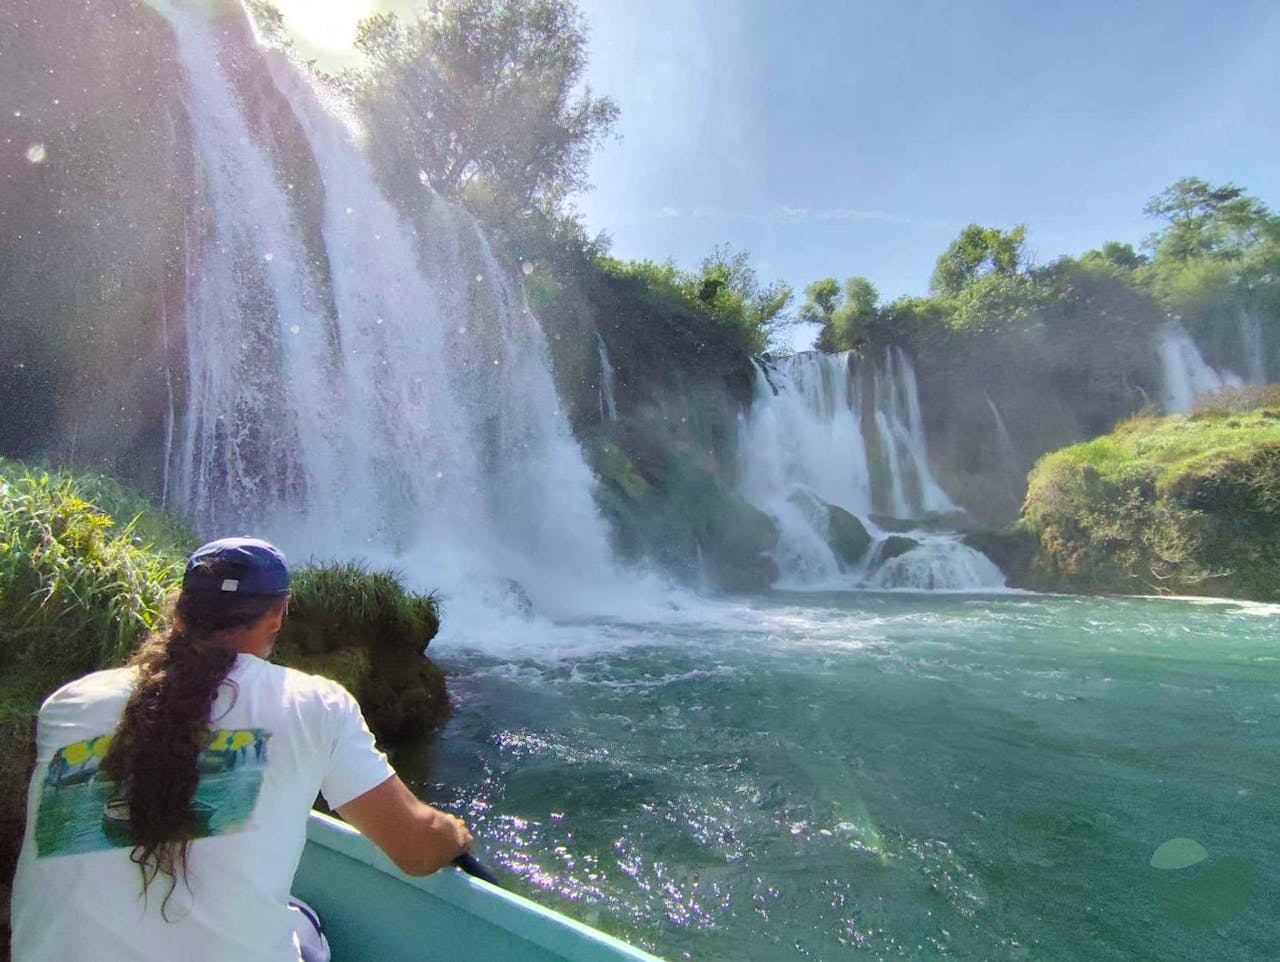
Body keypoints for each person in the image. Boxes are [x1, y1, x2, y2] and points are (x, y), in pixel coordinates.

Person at [10, 537, 473, 962]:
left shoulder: (68, 703)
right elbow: (417, 849)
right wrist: (454, 834)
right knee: (305, 924)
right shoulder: (313, 704)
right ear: (277, 618)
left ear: (180, 615)